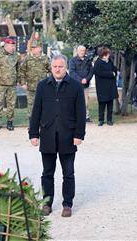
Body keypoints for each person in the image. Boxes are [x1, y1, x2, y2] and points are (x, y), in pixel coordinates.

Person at [29, 55, 86, 218]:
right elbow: (36, 112)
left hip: (68, 135)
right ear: (51, 68)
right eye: (55, 66)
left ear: (66, 67)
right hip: (47, 134)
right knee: (47, 173)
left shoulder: (75, 86)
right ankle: (47, 203)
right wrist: (33, 133)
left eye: (60, 66)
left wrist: (79, 134)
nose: (57, 69)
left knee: (68, 173)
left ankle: (67, 204)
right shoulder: (42, 86)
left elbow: (81, 113)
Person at [0, 38, 21, 131]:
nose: (13, 48)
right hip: (0, 84)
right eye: (11, 46)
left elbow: (19, 69)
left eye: (14, 46)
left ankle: (10, 122)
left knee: (11, 104)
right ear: (6, 46)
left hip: (12, 84)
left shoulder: (16, 55)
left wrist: (19, 80)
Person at [20, 39, 50, 117]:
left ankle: (43, 124)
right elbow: (22, 71)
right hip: (30, 87)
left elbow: (51, 71)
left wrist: (49, 82)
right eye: (32, 48)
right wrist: (23, 83)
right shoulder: (27, 58)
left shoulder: (45, 58)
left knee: (44, 105)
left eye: (34, 47)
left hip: (43, 88)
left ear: (40, 48)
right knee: (31, 106)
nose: (32, 49)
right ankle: (32, 125)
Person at [93, 47, 118, 126]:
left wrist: (114, 72)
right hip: (102, 87)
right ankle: (101, 120)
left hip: (110, 86)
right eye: (107, 53)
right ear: (103, 54)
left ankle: (109, 120)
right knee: (102, 104)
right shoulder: (98, 63)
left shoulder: (109, 61)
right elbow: (100, 73)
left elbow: (114, 69)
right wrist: (111, 74)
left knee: (110, 103)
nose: (109, 55)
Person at [69, 45, 94, 122]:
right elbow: (72, 72)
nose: (82, 52)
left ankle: (86, 117)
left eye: (83, 51)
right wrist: (80, 80)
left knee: (85, 101)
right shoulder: (73, 60)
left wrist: (87, 79)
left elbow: (91, 71)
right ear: (77, 51)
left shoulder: (88, 60)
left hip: (85, 85)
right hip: (75, 85)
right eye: (80, 50)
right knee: (74, 101)